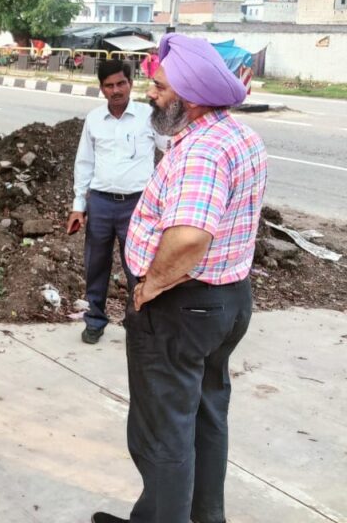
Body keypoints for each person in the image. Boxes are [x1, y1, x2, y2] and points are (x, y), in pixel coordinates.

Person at [92, 34, 267, 523]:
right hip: (227, 301)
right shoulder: (239, 136)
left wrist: (150, 285)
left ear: (190, 97)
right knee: (205, 418)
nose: (150, 93)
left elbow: (189, 238)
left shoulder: (201, 153)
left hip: (182, 306)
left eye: (161, 87)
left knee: (162, 434)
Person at [68, 59, 160, 345]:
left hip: (138, 206)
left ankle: (139, 324)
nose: (116, 90)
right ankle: (94, 320)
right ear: (102, 89)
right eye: (109, 85)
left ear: (131, 84)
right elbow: (84, 163)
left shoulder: (148, 116)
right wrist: (78, 206)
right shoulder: (94, 119)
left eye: (121, 83)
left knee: (137, 268)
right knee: (95, 265)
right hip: (100, 203)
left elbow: (171, 149)